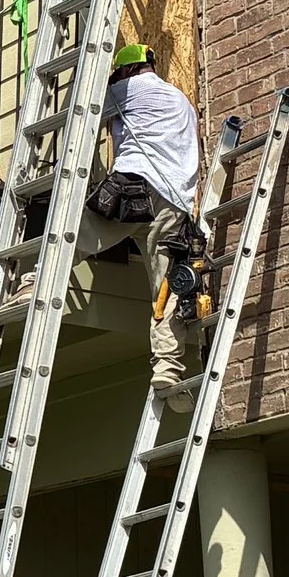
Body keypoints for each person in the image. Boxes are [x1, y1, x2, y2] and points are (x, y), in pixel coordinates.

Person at [90, 39, 206, 403]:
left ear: (124, 70)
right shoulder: (180, 100)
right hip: (174, 202)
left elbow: (86, 121)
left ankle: (31, 284)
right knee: (166, 286)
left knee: (73, 239)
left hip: (135, 188)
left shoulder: (125, 89)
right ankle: (167, 367)